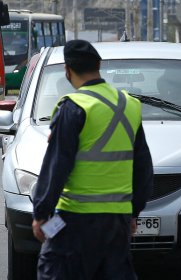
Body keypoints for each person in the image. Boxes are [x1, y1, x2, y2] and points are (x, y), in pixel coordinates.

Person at [32, 39, 154, 279]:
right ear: (99, 65)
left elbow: (57, 165)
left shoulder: (74, 107)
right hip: (117, 221)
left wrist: (41, 212)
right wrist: (133, 213)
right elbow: (143, 167)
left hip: (75, 219)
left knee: (53, 271)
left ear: (67, 70)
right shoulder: (130, 105)